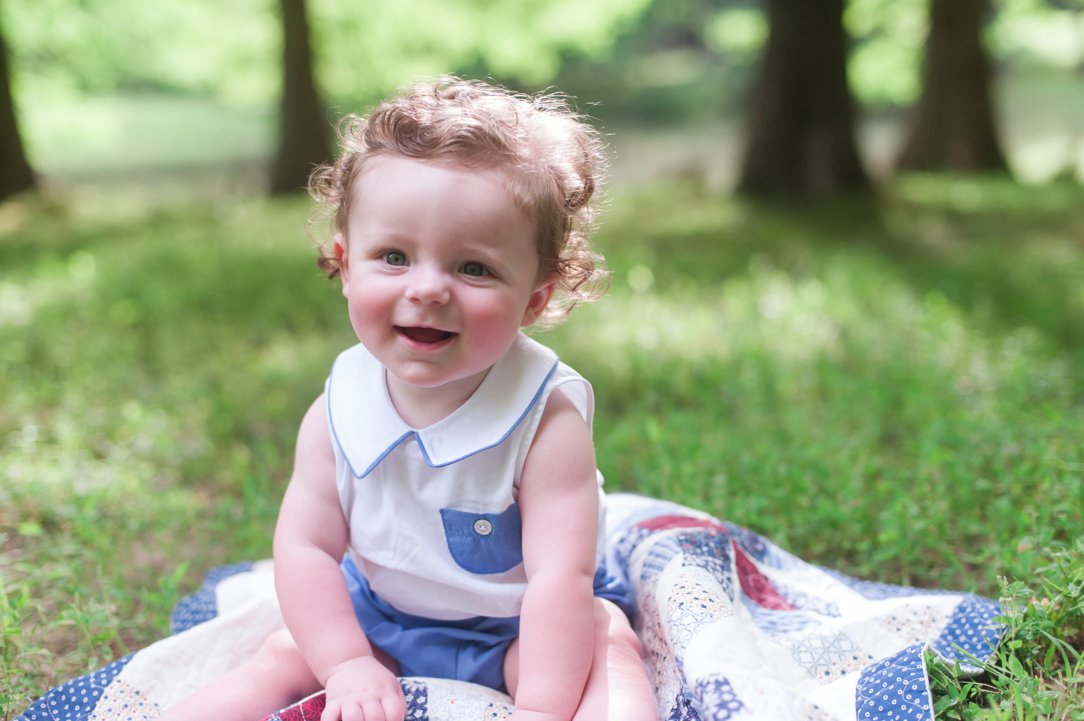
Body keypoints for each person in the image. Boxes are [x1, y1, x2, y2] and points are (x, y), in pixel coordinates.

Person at [158, 77, 656, 721]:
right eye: (393, 256)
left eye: (473, 268)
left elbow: (560, 579)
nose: (428, 289)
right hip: (380, 616)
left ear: (534, 297)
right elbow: (306, 548)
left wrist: (541, 706)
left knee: (605, 642)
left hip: (518, 626)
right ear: (343, 263)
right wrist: (347, 664)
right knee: (283, 655)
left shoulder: (544, 419)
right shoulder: (340, 410)